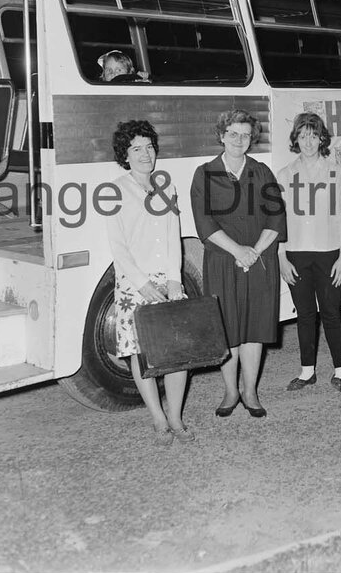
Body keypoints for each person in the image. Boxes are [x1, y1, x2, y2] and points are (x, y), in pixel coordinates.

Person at [190, 110, 287, 417]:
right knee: (228, 328)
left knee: (254, 328)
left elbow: (276, 217)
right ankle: (231, 391)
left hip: (259, 262)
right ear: (221, 135)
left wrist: (254, 252)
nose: (239, 140)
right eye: (233, 133)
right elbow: (203, 224)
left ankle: (250, 391)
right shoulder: (204, 173)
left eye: (245, 134)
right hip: (223, 262)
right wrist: (237, 251)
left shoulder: (262, 172)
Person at [105, 119, 193, 447]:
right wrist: (142, 284)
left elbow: (173, 238)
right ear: (125, 155)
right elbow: (118, 247)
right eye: (137, 149)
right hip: (133, 284)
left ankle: (175, 417)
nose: (145, 154)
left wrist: (174, 281)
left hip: (167, 281)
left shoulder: (166, 188)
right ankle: (157, 418)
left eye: (149, 147)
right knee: (140, 353)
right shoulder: (114, 190)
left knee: (178, 352)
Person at [277, 112, 341, 393]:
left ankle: (340, 370)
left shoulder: (336, 171)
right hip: (296, 253)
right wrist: (281, 257)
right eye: (302, 135)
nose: (308, 141)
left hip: (329, 252)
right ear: (295, 139)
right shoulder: (285, 175)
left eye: (313, 135)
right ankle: (307, 371)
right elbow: (278, 219)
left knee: (331, 312)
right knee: (305, 314)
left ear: (321, 139)